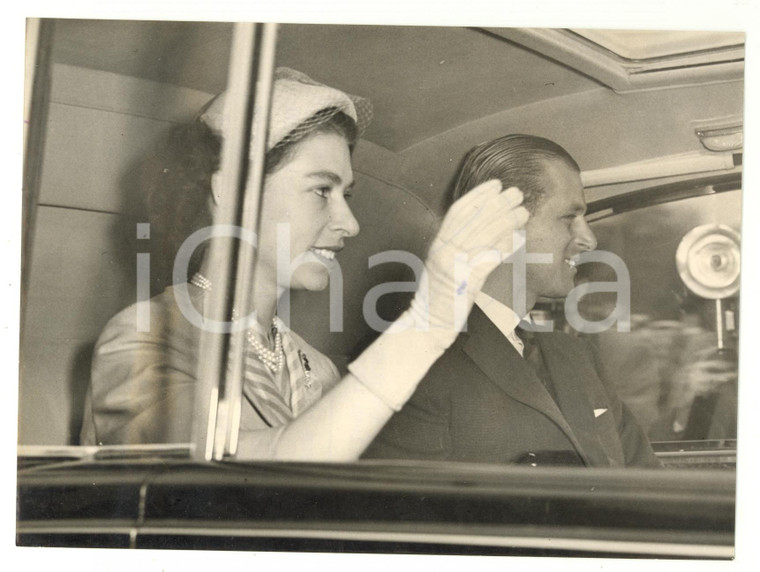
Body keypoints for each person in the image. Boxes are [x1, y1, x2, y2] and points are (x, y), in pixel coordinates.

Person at [79, 68, 529, 461]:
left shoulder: (318, 368)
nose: (350, 224)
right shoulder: (142, 341)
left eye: (346, 195)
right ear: (231, 192)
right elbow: (239, 483)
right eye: (321, 190)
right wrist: (428, 322)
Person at [363, 134, 661, 468]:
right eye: (569, 217)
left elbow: (647, 481)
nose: (588, 239)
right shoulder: (419, 361)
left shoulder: (577, 356)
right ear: (503, 224)